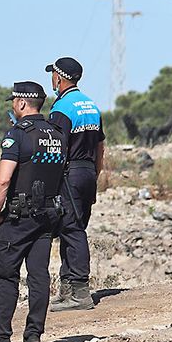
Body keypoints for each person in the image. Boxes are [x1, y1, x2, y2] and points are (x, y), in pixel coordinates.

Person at [0, 82, 68, 342]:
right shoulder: (57, 134)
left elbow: (3, 180)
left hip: (18, 217)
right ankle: (34, 337)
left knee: (7, 278)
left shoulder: (18, 135)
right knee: (39, 276)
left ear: (23, 103)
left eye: (14, 101)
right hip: (48, 216)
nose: (12, 105)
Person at [45, 57, 105, 312]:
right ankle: (67, 288)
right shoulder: (91, 105)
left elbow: (57, 148)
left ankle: (79, 292)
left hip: (69, 172)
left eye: (52, 76)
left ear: (59, 78)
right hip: (89, 171)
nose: (52, 80)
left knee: (72, 229)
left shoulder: (62, 109)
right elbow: (101, 147)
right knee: (74, 227)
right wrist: (95, 174)